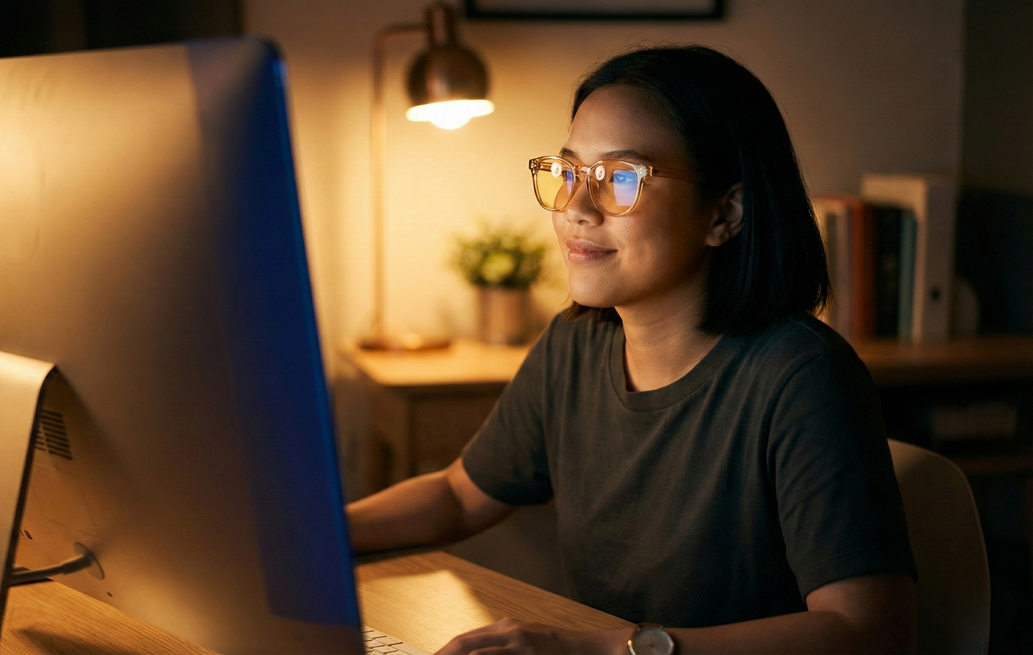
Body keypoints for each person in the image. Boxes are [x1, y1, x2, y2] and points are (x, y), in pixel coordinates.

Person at [347, 45, 917, 655]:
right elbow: (459, 494)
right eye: (570, 173)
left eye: (621, 178)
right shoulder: (577, 342)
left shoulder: (801, 377)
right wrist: (313, 533)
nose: (578, 209)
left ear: (725, 213)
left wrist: (600, 650)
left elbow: (870, 631)